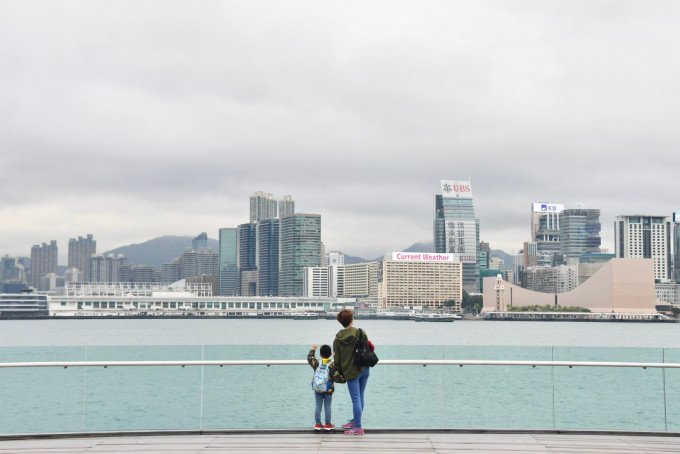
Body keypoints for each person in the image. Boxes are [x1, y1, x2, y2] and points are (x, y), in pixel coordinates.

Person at [333, 309, 371, 435]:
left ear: (341, 322)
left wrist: (340, 371)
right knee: (360, 397)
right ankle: (356, 422)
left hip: (351, 372)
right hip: (364, 368)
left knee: (356, 399)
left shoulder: (338, 338)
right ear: (351, 319)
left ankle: (358, 427)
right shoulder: (360, 332)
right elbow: (368, 347)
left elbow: (337, 360)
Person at [308, 343, 345, 431]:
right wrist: (344, 379)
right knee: (327, 406)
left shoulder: (317, 363)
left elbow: (310, 359)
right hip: (328, 389)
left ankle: (317, 424)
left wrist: (313, 349)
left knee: (318, 405)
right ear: (331, 354)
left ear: (320, 354)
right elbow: (337, 378)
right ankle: (328, 424)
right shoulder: (332, 365)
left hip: (317, 388)